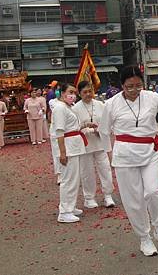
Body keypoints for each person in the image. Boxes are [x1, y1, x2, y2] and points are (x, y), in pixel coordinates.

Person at [99, 66, 158, 257]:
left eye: (138, 86)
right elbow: (104, 131)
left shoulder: (151, 97)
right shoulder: (111, 103)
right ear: (122, 86)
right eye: (130, 87)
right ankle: (144, 238)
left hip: (150, 151)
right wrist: (109, 154)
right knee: (133, 199)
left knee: (155, 192)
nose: (134, 91)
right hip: (124, 155)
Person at [52, 83, 97, 223]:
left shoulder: (68, 107)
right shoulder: (59, 108)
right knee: (68, 180)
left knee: (74, 179)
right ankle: (64, 211)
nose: (73, 95)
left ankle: (69, 207)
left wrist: (85, 125)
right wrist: (62, 153)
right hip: (68, 147)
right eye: (70, 92)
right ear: (62, 93)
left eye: (74, 92)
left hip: (75, 145)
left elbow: (73, 126)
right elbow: (59, 132)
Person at [73, 80, 116, 209]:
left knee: (105, 169)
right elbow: (74, 127)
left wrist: (101, 130)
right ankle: (89, 198)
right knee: (87, 172)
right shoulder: (75, 108)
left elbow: (108, 123)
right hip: (84, 144)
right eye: (85, 92)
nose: (88, 94)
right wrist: (87, 127)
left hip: (100, 142)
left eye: (90, 91)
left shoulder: (100, 105)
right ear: (79, 94)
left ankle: (108, 195)